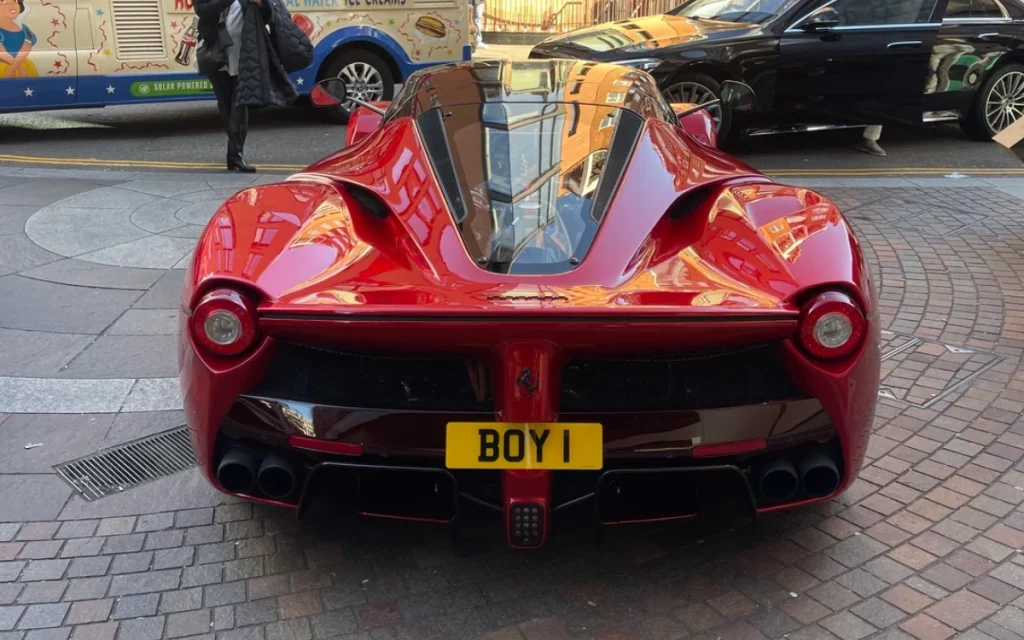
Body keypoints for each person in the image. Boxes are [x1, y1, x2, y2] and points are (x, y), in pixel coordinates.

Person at [195, 0, 296, 172]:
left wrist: (261, 4)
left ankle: (236, 155)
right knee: (226, 105)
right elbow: (203, 11)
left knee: (240, 104)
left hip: (245, 55)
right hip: (217, 56)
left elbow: (268, 17)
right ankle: (234, 152)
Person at [0, 0, 38, 78]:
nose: (12, 5)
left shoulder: (23, 28)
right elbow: (2, 52)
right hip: (4, 67)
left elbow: (26, 47)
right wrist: (18, 69)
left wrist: (17, 68)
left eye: (15, 1)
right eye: (3, 1)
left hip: (23, 65)